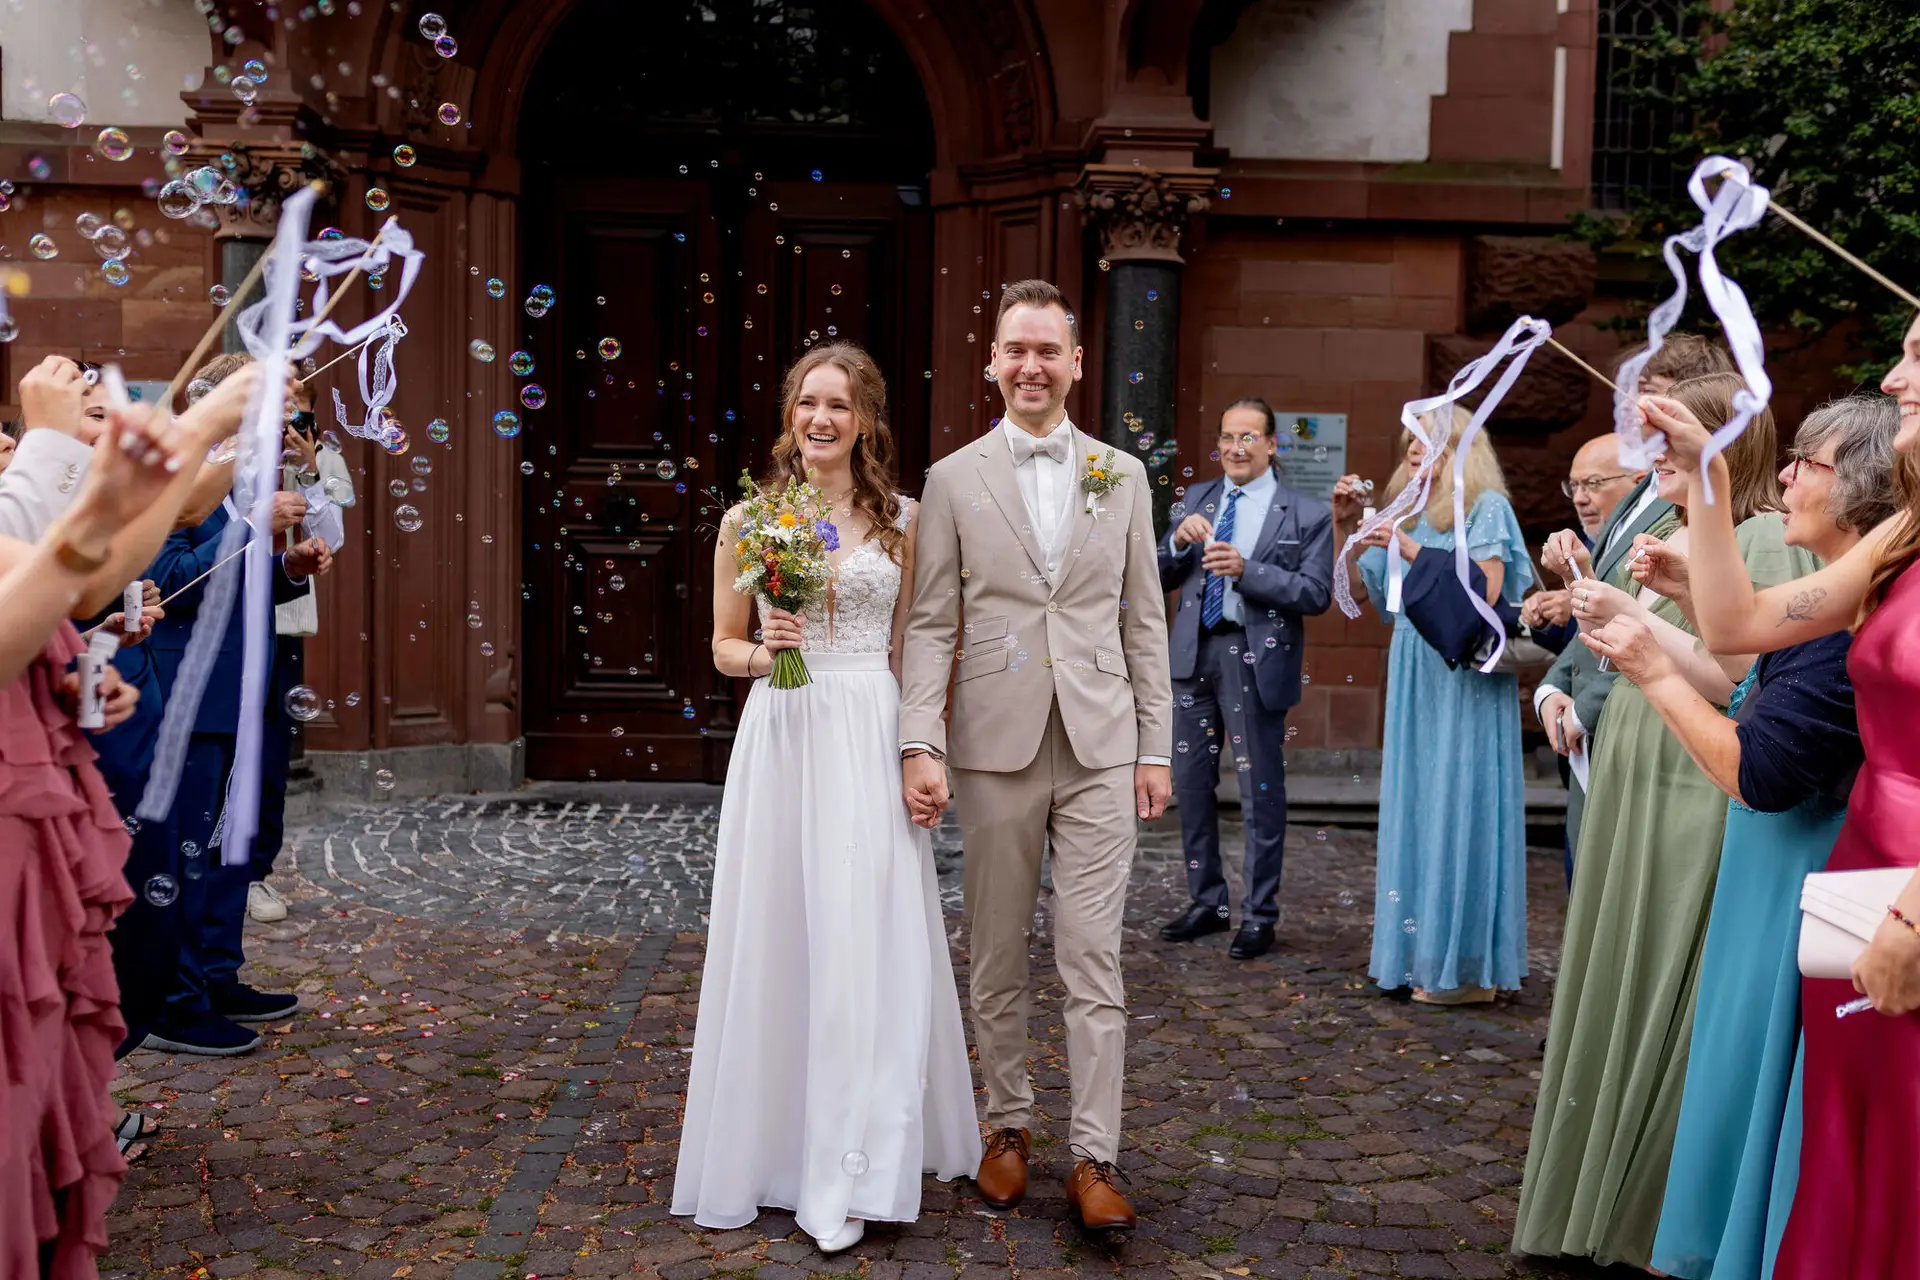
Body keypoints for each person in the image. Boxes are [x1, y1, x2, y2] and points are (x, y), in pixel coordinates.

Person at [1574, 396, 1897, 1280]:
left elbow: (1759, 765)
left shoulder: (1859, 612)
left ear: (1864, 488)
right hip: (1769, 867)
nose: (1788, 475)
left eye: (1808, 463)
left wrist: (1647, 663)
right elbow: (1746, 663)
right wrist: (1666, 614)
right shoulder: (1833, 599)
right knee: (1735, 1069)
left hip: (1812, 862)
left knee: (1771, 1081)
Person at [672, 342, 979, 1253]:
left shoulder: (905, 521)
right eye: (809, 402)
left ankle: (858, 1164)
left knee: (866, 934)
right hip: (787, 730)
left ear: (867, 421)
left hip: (869, 726)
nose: (822, 419)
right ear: (789, 415)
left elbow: (922, 648)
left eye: (840, 405)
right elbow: (724, 651)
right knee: (784, 931)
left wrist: (923, 751)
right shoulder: (751, 520)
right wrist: (770, 645)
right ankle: (782, 1149)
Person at [1513, 372, 1818, 1269]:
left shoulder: (1762, 538)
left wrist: (1645, 638)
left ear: (1720, 446)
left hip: (1694, 790)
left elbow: (1752, 685)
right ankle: (1592, 1204)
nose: (1651, 458)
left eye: (1669, 440)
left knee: (1667, 988)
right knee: (1618, 978)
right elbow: (1609, 656)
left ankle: (1646, 1214)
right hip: (1631, 786)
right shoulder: (1660, 533)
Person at [900, 279, 1172, 1231]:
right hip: (992, 745)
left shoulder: (1122, 475)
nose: (1031, 366)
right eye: (1016, 350)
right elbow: (932, 621)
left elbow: (1145, 619)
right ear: (992, 362)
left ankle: (1096, 1157)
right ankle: (1006, 1128)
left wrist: (1155, 747)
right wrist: (919, 739)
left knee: (1094, 955)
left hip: (1101, 745)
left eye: (1048, 351)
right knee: (1000, 950)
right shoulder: (951, 478)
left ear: (1076, 362)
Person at [0, 379, 247, 1278]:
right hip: (12, 810)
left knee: (55, 1010)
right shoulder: (32, 471)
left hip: (39, 786)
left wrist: (74, 663)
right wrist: (95, 474)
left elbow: (84, 584)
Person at [140, 356, 333, 1058]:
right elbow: (168, 582)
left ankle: (217, 976)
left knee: (226, 851)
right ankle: (175, 1001)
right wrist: (253, 524)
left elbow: (232, 585)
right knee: (188, 854)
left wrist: (287, 569)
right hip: (189, 696)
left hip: (238, 689)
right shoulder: (174, 482)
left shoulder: (225, 487)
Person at [1332, 406, 1533, 1005]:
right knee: (1418, 804)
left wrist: (1413, 548)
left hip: (1463, 671)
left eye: (1430, 447)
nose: (1416, 457)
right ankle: (1417, 955)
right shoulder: (1405, 512)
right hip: (1415, 667)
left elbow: (1488, 593)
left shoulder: (1485, 509)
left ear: (1462, 453)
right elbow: (1374, 597)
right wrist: (1346, 527)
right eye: (1410, 447)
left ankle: (1464, 968)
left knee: (1460, 800)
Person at [1534, 333, 1732, 862]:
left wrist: (1586, 711)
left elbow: (1689, 628)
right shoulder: (1645, 492)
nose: (1628, 407)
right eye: (1626, 392)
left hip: (1654, 732)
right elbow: (1607, 597)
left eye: (1645, 391)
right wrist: (1553, 689)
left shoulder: (1696, 495)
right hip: (1603, 726)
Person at [1157, 396, 1333, 959]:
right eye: (1228, 437)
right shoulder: (1196, 500)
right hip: (1191, 657)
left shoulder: (1305, 513)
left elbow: (1316, 592)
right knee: (1190, 785)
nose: (1235, 447)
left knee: (1260, 790)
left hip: (1254, 657)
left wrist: (1248, 572)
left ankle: (1259, 913)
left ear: (1272, 445)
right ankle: (1207, 901)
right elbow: (1156, 574)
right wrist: (1176, 541)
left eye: (1249, 437)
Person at [249, 375, 351, 924]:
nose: (287, 427)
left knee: (268, 754)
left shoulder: (324, 462)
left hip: (282, 620)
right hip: (225, 616)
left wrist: (309, 471)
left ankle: (254, 874)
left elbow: (332, 537)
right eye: (278, 414)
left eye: (298, 416)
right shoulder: (230, 458)